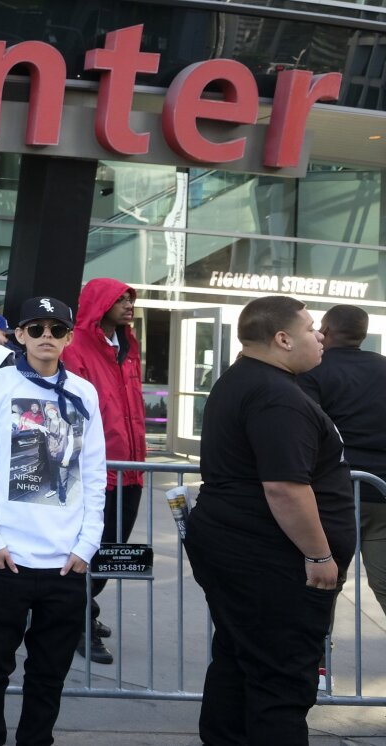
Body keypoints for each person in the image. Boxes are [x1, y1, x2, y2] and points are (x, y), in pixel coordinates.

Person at [186, 296, 354, 746]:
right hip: (270, 561)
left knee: (240, 658)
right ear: (282, 339)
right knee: (281, 679)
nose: (320, 336)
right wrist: (318, 554)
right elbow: (285, 487)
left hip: (242, 553)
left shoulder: (243, 381)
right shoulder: (276, 396)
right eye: (310, 328)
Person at [0, 297, 106, 746]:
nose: (48, 335)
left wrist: (87, 546)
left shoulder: (84, 393)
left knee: (49, 672)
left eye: (58, 328)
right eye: (37, 327)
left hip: (65, 562)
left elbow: (95, 474)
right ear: (19, 335)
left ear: (69, 337)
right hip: (7, 558)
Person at [60, 278, 146, 665]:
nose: (129, 304)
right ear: (100, 303)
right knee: (87, 551)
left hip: (130, 467)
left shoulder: (128, 346)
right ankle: (77, 621)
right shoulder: (75, 346)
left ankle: (82, 609)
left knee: (111, 551)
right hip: (95, 468)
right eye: (120, 298)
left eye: (131, 298)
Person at [298, 304, 386, 618]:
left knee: (324, 582)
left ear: (328, 330)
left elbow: (305, 432)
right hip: (382, 495)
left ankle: (317, 663)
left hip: (335, 495)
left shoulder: (313, 371)